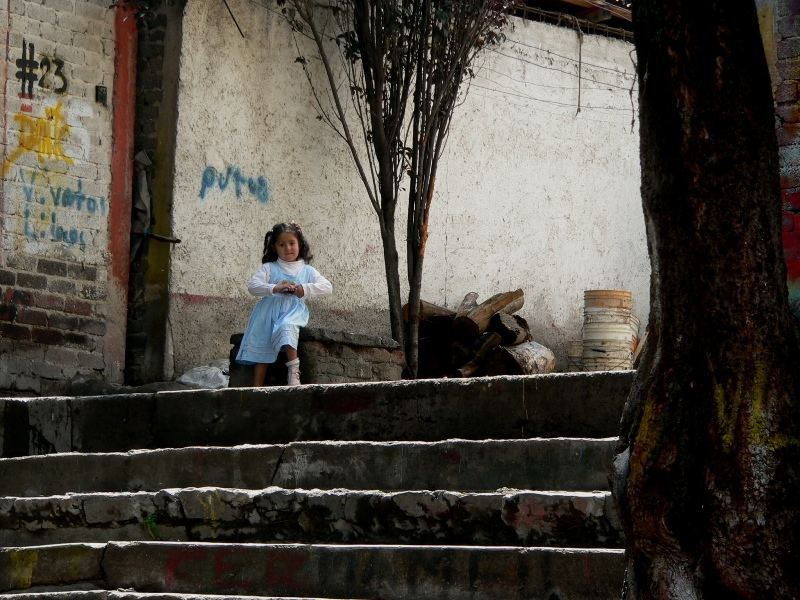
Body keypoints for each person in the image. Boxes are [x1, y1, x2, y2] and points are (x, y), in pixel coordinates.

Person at [236, 221, 332, 386]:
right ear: (274, 247)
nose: (288, 248)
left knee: (286, 326)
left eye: (292, 243)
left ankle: (294, 372)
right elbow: (253, 286)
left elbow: (327, 287)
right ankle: (256, 388)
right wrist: (274, 288)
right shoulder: (269, 268)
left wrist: (305, 289)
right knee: (262, 346)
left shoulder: (307, 270)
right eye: (282, 244)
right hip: (266, 314)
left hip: (293, 312)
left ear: (300, 244)